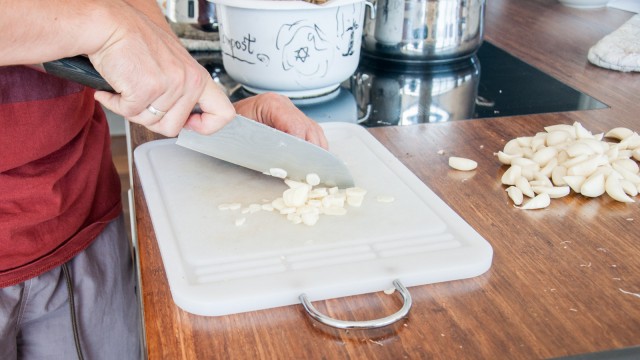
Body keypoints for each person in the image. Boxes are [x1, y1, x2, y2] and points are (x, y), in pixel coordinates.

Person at [0, 0, 327, 358]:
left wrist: (189, 95)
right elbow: (107, 23)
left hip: (85, 216)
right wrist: (104, 25)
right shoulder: (104, 24)